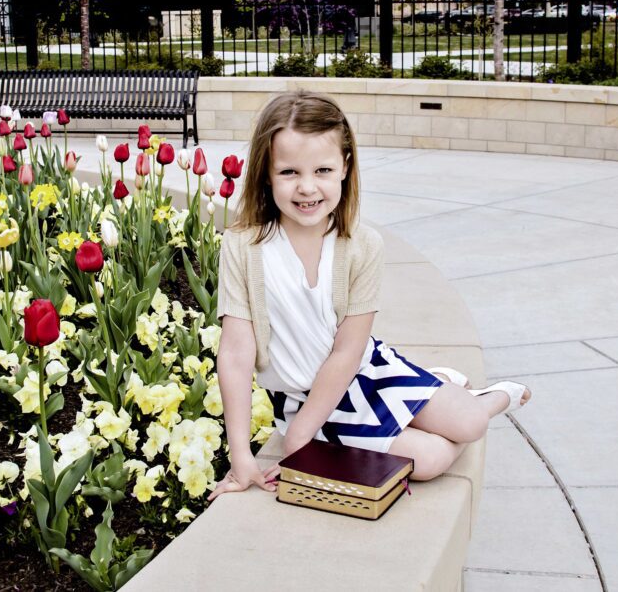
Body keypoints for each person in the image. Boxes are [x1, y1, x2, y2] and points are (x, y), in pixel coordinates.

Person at [208, 92, 530, 501]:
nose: (307, 187)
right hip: (305, 397)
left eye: (323, 169)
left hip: (362, 368)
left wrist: (303, 438)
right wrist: (242, 458)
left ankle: (483, 397)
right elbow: (235, 355)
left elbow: (348, 351)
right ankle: (438, 384)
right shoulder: (242, 247)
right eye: (289, 172)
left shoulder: (362, 245)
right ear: (265, 175)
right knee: (428, 461)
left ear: (345, 167)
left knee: (471, 423)